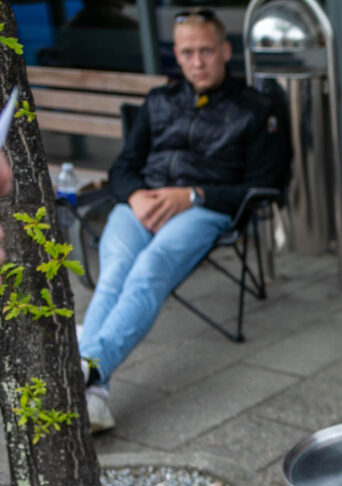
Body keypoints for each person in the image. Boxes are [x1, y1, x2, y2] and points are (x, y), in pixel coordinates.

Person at [77, 8, 287, 433]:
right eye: (188, 52)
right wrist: (135, 196)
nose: (197, 62)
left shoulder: (256, 107)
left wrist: (192, 195)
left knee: (148, 271)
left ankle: (81, 370)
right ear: (176, 54)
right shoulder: (159, 101)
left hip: (203, 209)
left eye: (206, 51)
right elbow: (123, 167)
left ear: (225, 50)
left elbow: (267, 185)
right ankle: (91, 390)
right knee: (115, 270)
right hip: (141, 204)